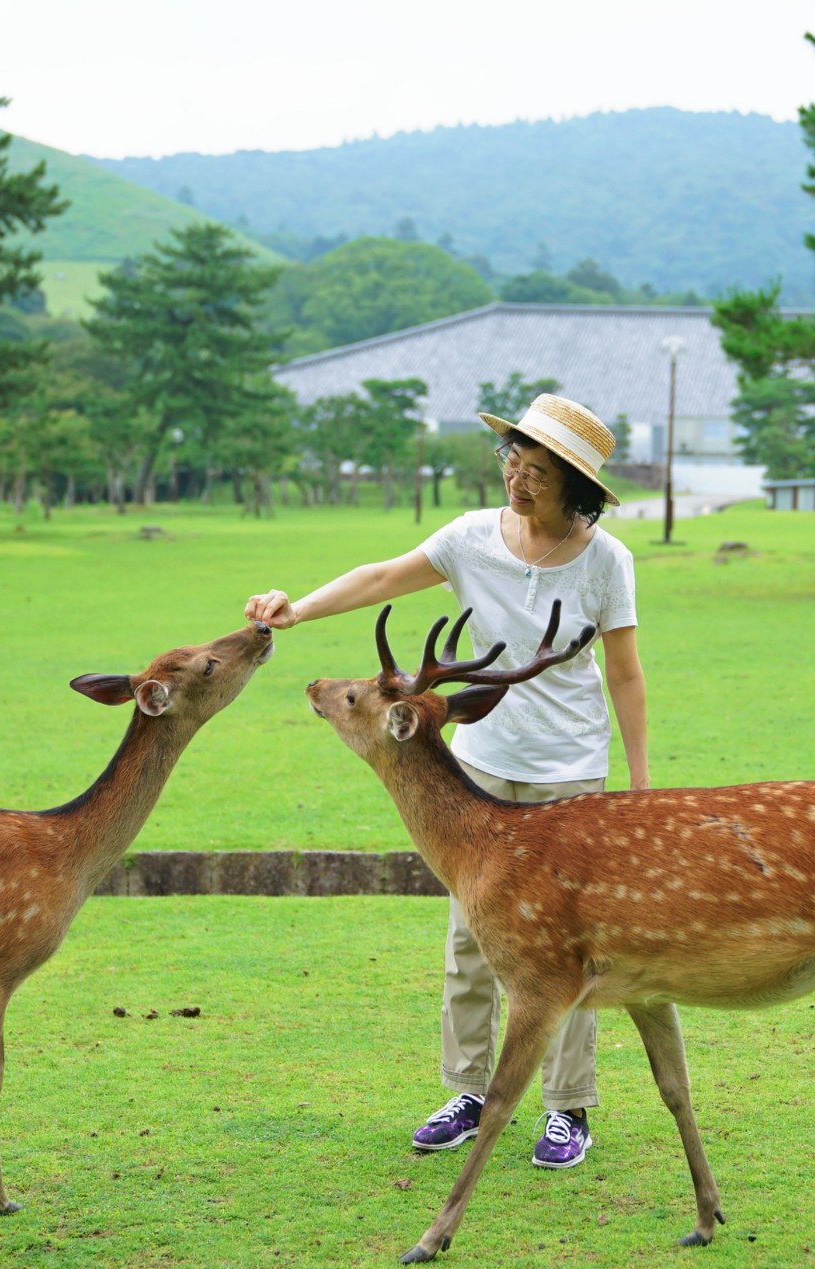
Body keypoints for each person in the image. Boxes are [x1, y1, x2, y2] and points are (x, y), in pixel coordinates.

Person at [246, 393, 647, 1170]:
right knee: (472, 939)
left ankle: (567, 1108)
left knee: (572, 949)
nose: (516, 481)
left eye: (535, 472)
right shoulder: (470, 536)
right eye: (511, 463)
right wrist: (298, 610)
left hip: (572, 775)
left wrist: (637, 780)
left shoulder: (608, 561)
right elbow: (382, 576)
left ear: (575, 484)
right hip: (481, 765)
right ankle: (468, 1088)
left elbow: (625, 675)